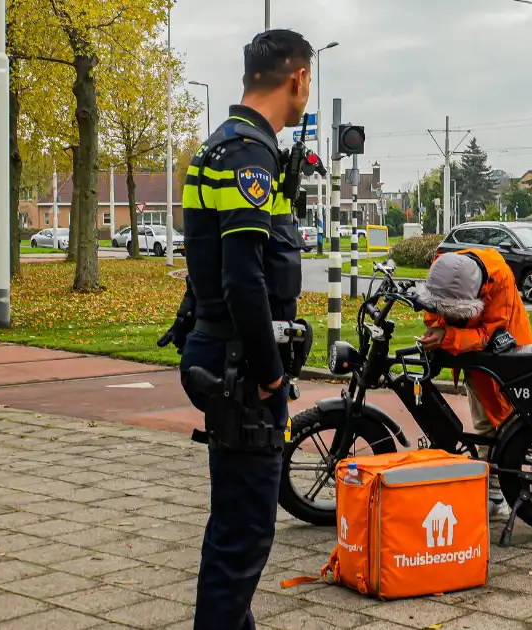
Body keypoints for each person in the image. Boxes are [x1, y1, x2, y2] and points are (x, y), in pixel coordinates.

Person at [176, 29, 313, 630]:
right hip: (241, 364)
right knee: (244, 535)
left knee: (237, 523)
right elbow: (244, 278)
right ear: (298, 79)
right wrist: (269, 371)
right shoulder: (249, 155)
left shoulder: (219, 147)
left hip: (222, 351)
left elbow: (213, 264)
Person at [415, 247, 532, 516]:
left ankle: (497, 494)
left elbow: (489, 333)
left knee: (497, 423)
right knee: (485, 422)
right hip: (471, 354)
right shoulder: (445, 268)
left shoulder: (499, 279)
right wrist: (438, 326)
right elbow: (436, 308)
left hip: (505, 352)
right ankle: (495, 488)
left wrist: (446, 336)